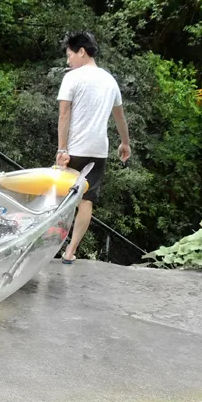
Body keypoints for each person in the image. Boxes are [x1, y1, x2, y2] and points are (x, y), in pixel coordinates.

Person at [55, 31, 131, 264]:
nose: (68, 61)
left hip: (74, 149)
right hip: (98, 150)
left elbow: (64, 114)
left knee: (59, 198)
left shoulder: (72, 77)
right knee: (86, 201)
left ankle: (48, 247)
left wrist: (61, 149)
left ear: (81, 51)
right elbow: (120, 117)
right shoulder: (110, 80)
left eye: (70, 55)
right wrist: (125, 143)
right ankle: (70, 252)